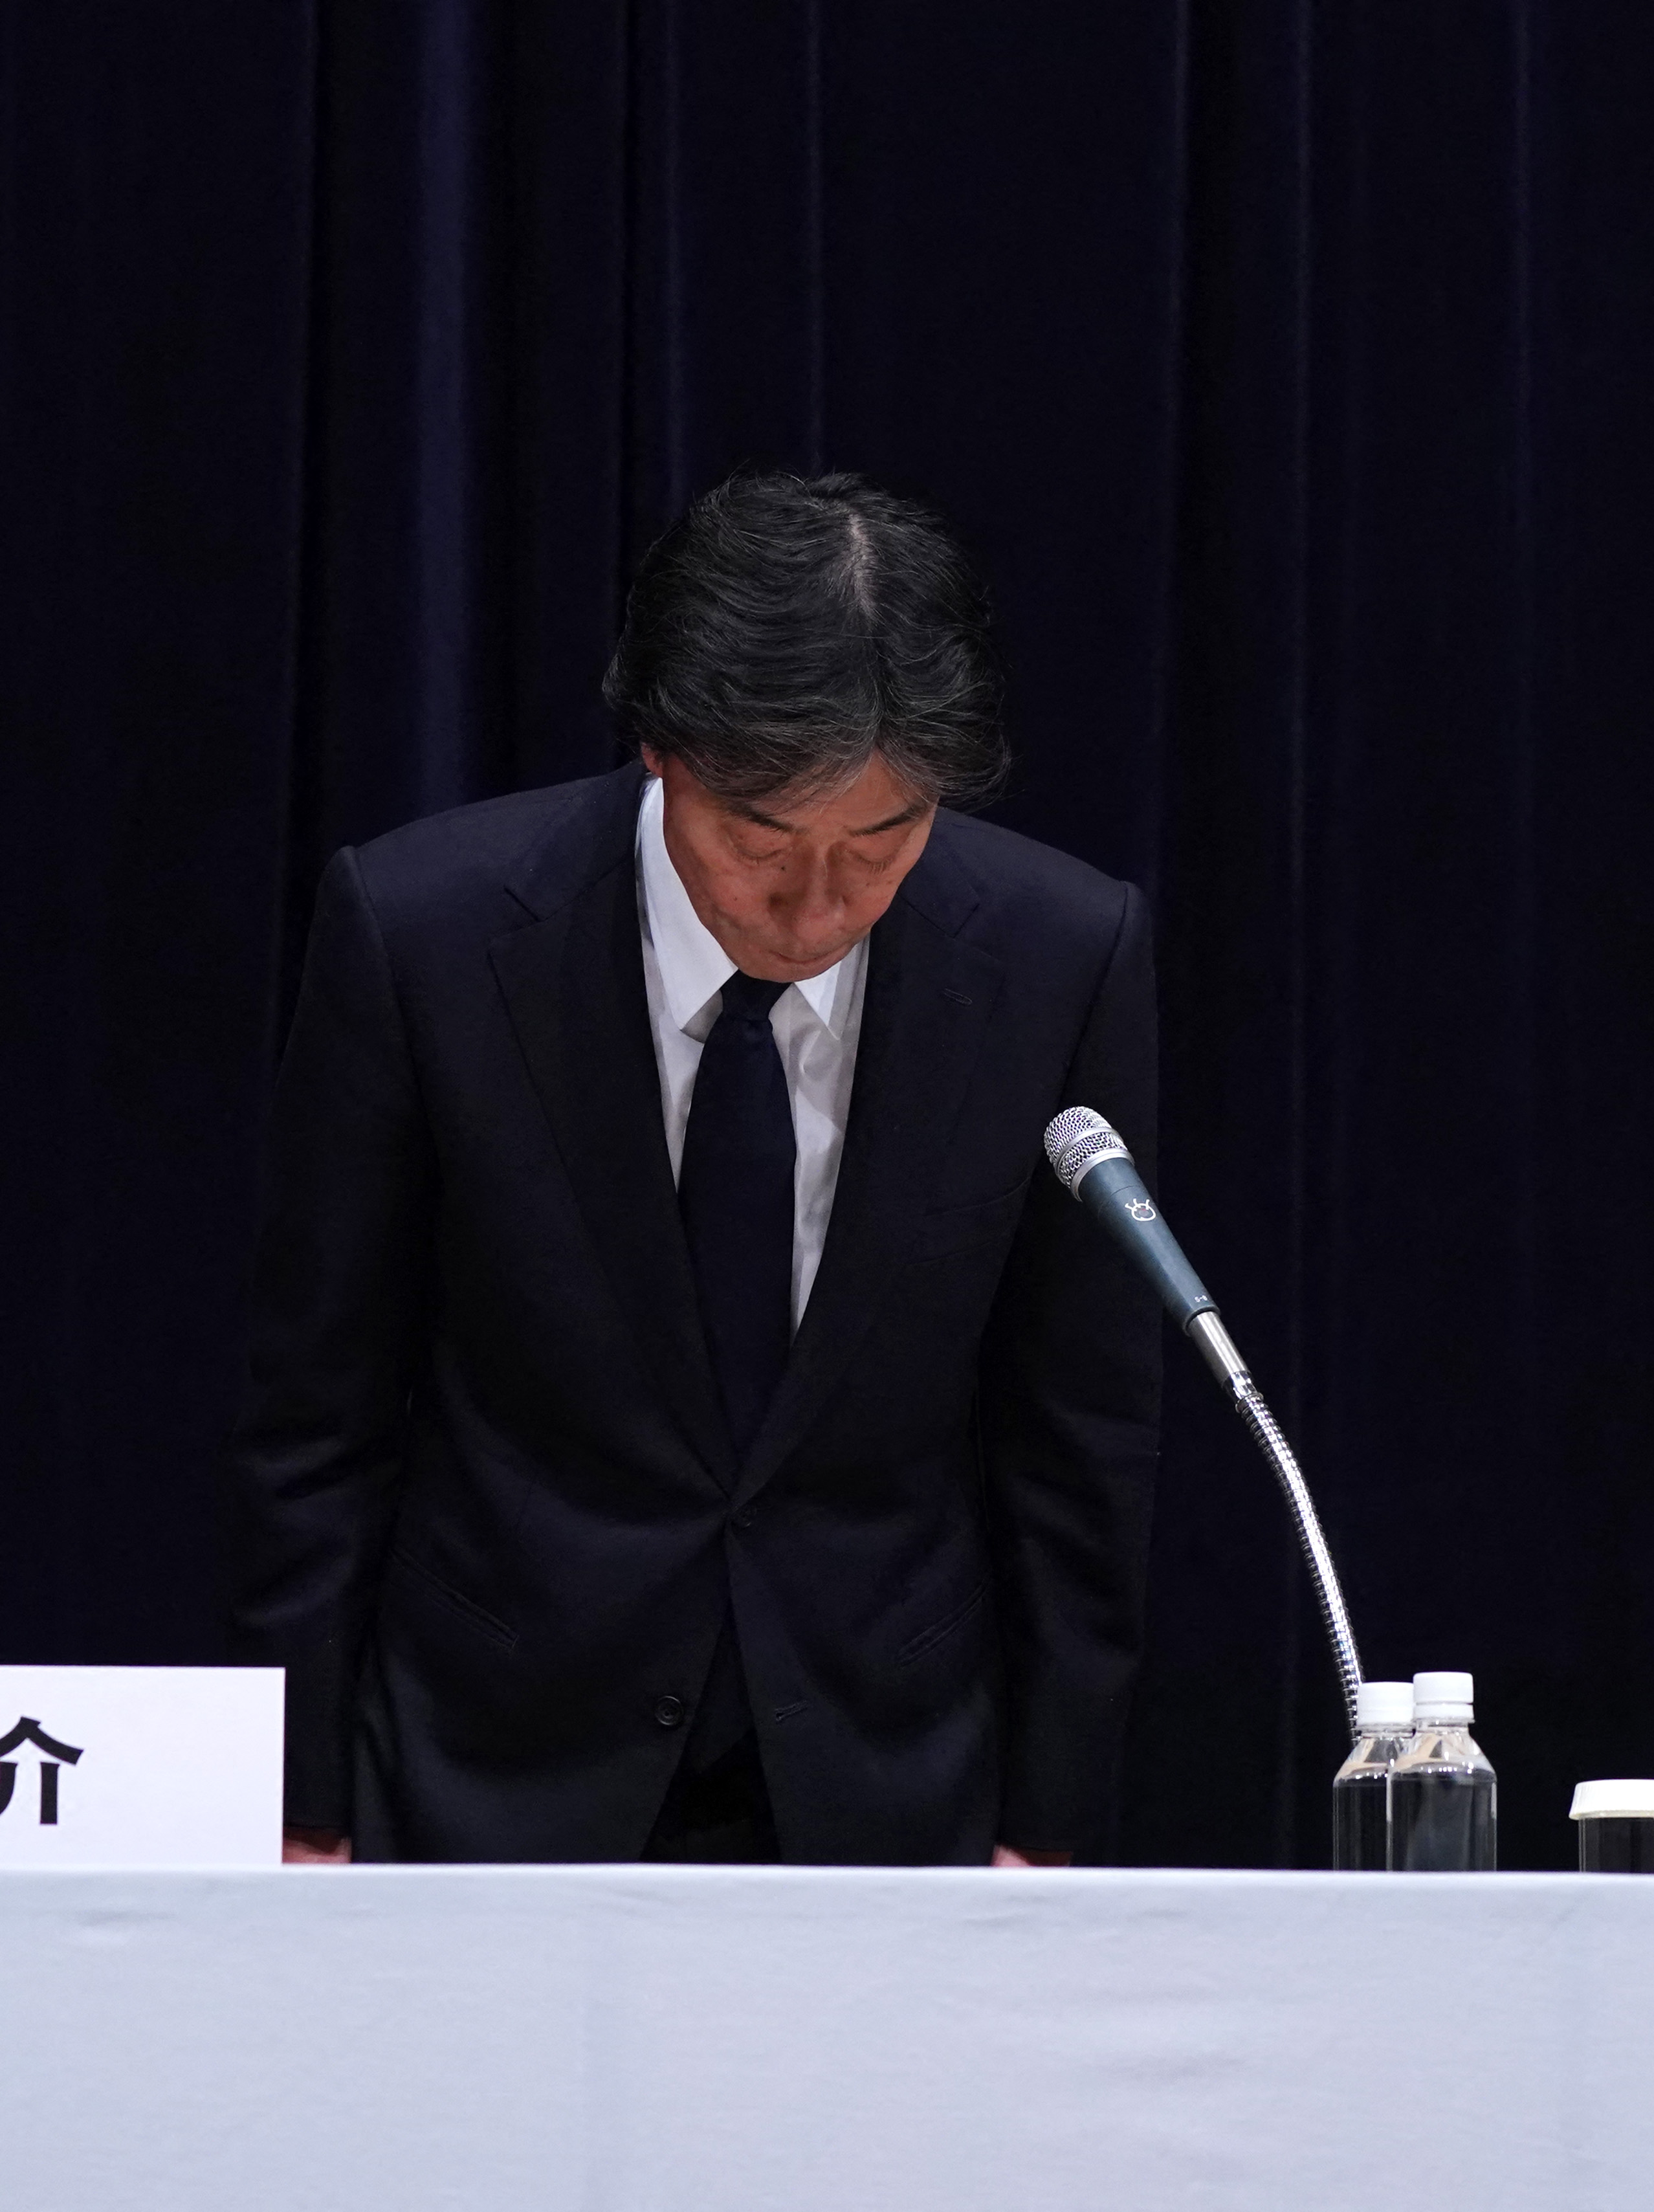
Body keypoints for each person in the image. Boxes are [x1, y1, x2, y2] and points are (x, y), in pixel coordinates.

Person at [226, 470, 1161, 1864]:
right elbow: (317, 1414)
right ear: (662, 753)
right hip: (489, 1760)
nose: (818, 904)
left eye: (882, 842)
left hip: (893, 1779)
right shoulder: (425, 935)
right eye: (759, 842)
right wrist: (296, 1804)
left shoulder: (1055, 955)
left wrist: (1052, 1819)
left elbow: (1077, 1440)